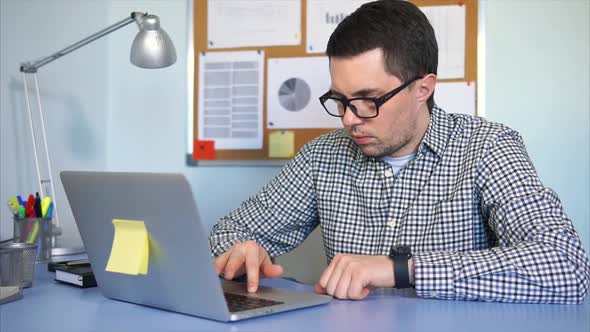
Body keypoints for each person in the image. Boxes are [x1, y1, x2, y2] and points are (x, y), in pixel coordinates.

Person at [209, 0, 590, 303]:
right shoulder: (321, 157)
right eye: (340, 100)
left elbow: (568, 267)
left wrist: (400, 269)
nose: (348, 120)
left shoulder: (487, 147)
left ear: (423, 88)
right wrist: (241, 253)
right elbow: (228, 233)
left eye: (369, 100)